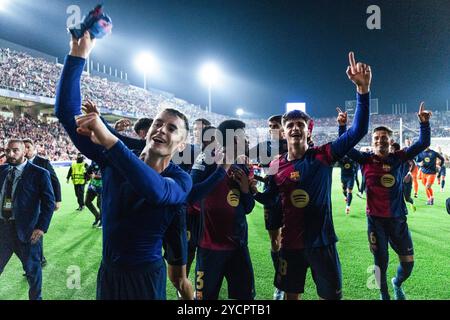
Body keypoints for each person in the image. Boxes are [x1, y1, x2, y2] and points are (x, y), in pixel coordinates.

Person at [55, 31, 193, 300]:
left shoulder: (180, 180)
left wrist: (109, 139)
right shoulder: (116, 155)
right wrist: (77, 56)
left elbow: (155, 191)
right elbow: (65, 112)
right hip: (109, 273)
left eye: (172, 129)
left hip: (145, 278)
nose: (161, 130)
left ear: (181, 145)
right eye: (157, 123)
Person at [254, 52, 372, 300]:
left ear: (308, 130)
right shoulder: (276, 164)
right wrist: (252, 190)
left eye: (300, 124)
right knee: (290, 296)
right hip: (290, 246)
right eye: (290, 125)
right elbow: (270, 199)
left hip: (322, 244)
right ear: (284, 133)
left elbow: (358, 130)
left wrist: (363, 91)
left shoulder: (323, 155)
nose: (295, 127)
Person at [338, 102, 431, 300]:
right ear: (372, 142)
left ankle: (397, 283)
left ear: (391, 141)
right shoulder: (365, 159)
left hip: (398, 219)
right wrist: (342, 127)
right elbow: (344, 146)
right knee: (380, 261)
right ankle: (384, 294)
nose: (380, 141)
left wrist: (424, 123)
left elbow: (422, 143)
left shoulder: (398, 157)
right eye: (376, 138)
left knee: (408, 264)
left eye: (384, 138)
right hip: (376, 221)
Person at [190, 119, 256, 300]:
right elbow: (191, 195)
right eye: (244, 136)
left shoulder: (241, 164)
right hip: (210, 246)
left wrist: (245, 189)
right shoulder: (205, 158)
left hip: (239, 246)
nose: (248, 140)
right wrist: (221, 170)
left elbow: (248, 207)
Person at [0, 139, 55, 300]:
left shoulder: (40, 173)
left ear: (24, 151)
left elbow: (48, 203)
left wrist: (41, 227)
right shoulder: (1, 171)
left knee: (32, 272)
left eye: (15, 150)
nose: (10, 154)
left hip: (27, 231)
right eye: (8, 150)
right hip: (2, 230)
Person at [250, 114, 288, 299]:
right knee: (275, 240)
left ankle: (291, 280)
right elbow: (244, 156)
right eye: (269, 125)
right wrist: (253, 179)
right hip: (271, 197)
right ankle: (280, 281)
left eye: (275, 125)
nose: (271, 128)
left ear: (284, 127)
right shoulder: (264, 147)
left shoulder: (293, 144)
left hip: (290, 198)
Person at [23, 138, 62, 268]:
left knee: (36, 227)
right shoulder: (20, 163)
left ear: (34, 148)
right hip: (25, 202)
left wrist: (58, 200)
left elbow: (55, 180)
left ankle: (37, 259)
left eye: (28, 147)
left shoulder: (43, 162)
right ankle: (38, 258)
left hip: (40, 201)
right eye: (24, 147)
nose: (26, 150)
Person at [85, 161, 102, 227]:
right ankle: (97, 216)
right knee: (87, 202)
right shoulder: (93, 162)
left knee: (100, 205)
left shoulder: (104, 161)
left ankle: (102, 221)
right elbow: (88, 173)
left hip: (101, 187)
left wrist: (94, 176)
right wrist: (88, 175)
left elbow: (103, 176)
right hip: (92, 186)